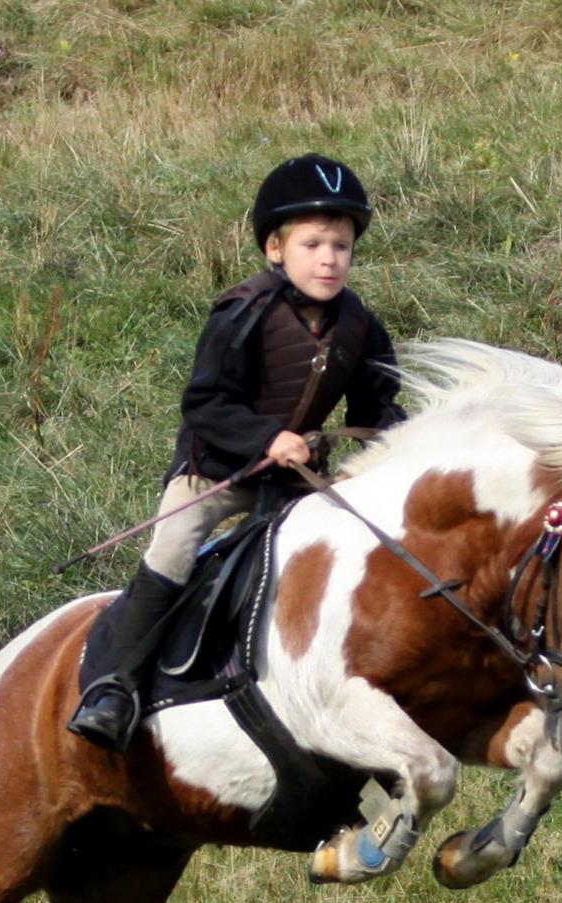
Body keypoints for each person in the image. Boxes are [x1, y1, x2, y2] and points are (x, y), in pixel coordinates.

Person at [67, 153, 407, 750]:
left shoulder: (359, 326)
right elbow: (204, 403)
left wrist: (393, 442)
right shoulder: (242, 312)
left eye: (342, 246)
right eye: (312, 245)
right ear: (276, 249)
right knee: (174, 549)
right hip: (216, 471)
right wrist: (265, 438)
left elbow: (376, 405)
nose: (329, 259)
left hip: (292, 479)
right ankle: (111, 687)